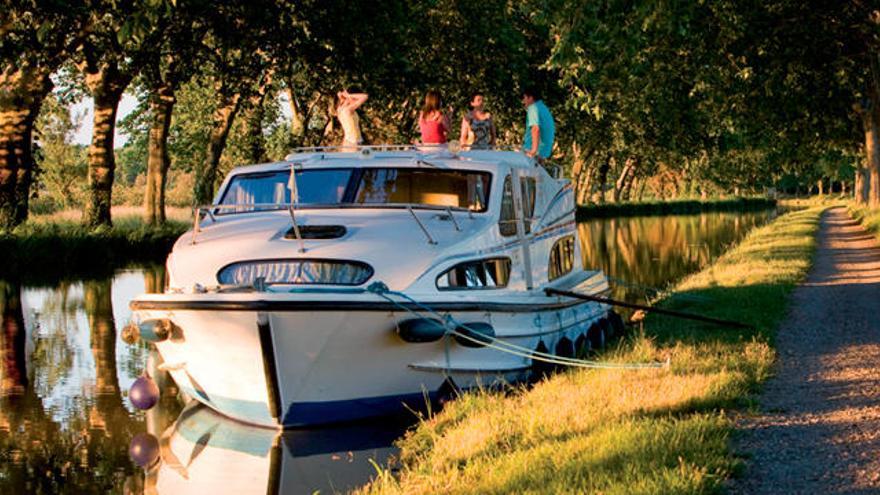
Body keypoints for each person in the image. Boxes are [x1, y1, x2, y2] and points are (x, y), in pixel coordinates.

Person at [521, 86, 555, 160]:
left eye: (524, 98)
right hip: (544, 153)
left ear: (531, 98)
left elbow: (535, 129)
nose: (523, 101)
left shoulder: (533, 108)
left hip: (532, 153)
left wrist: (533, 151)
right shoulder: (544, 108)